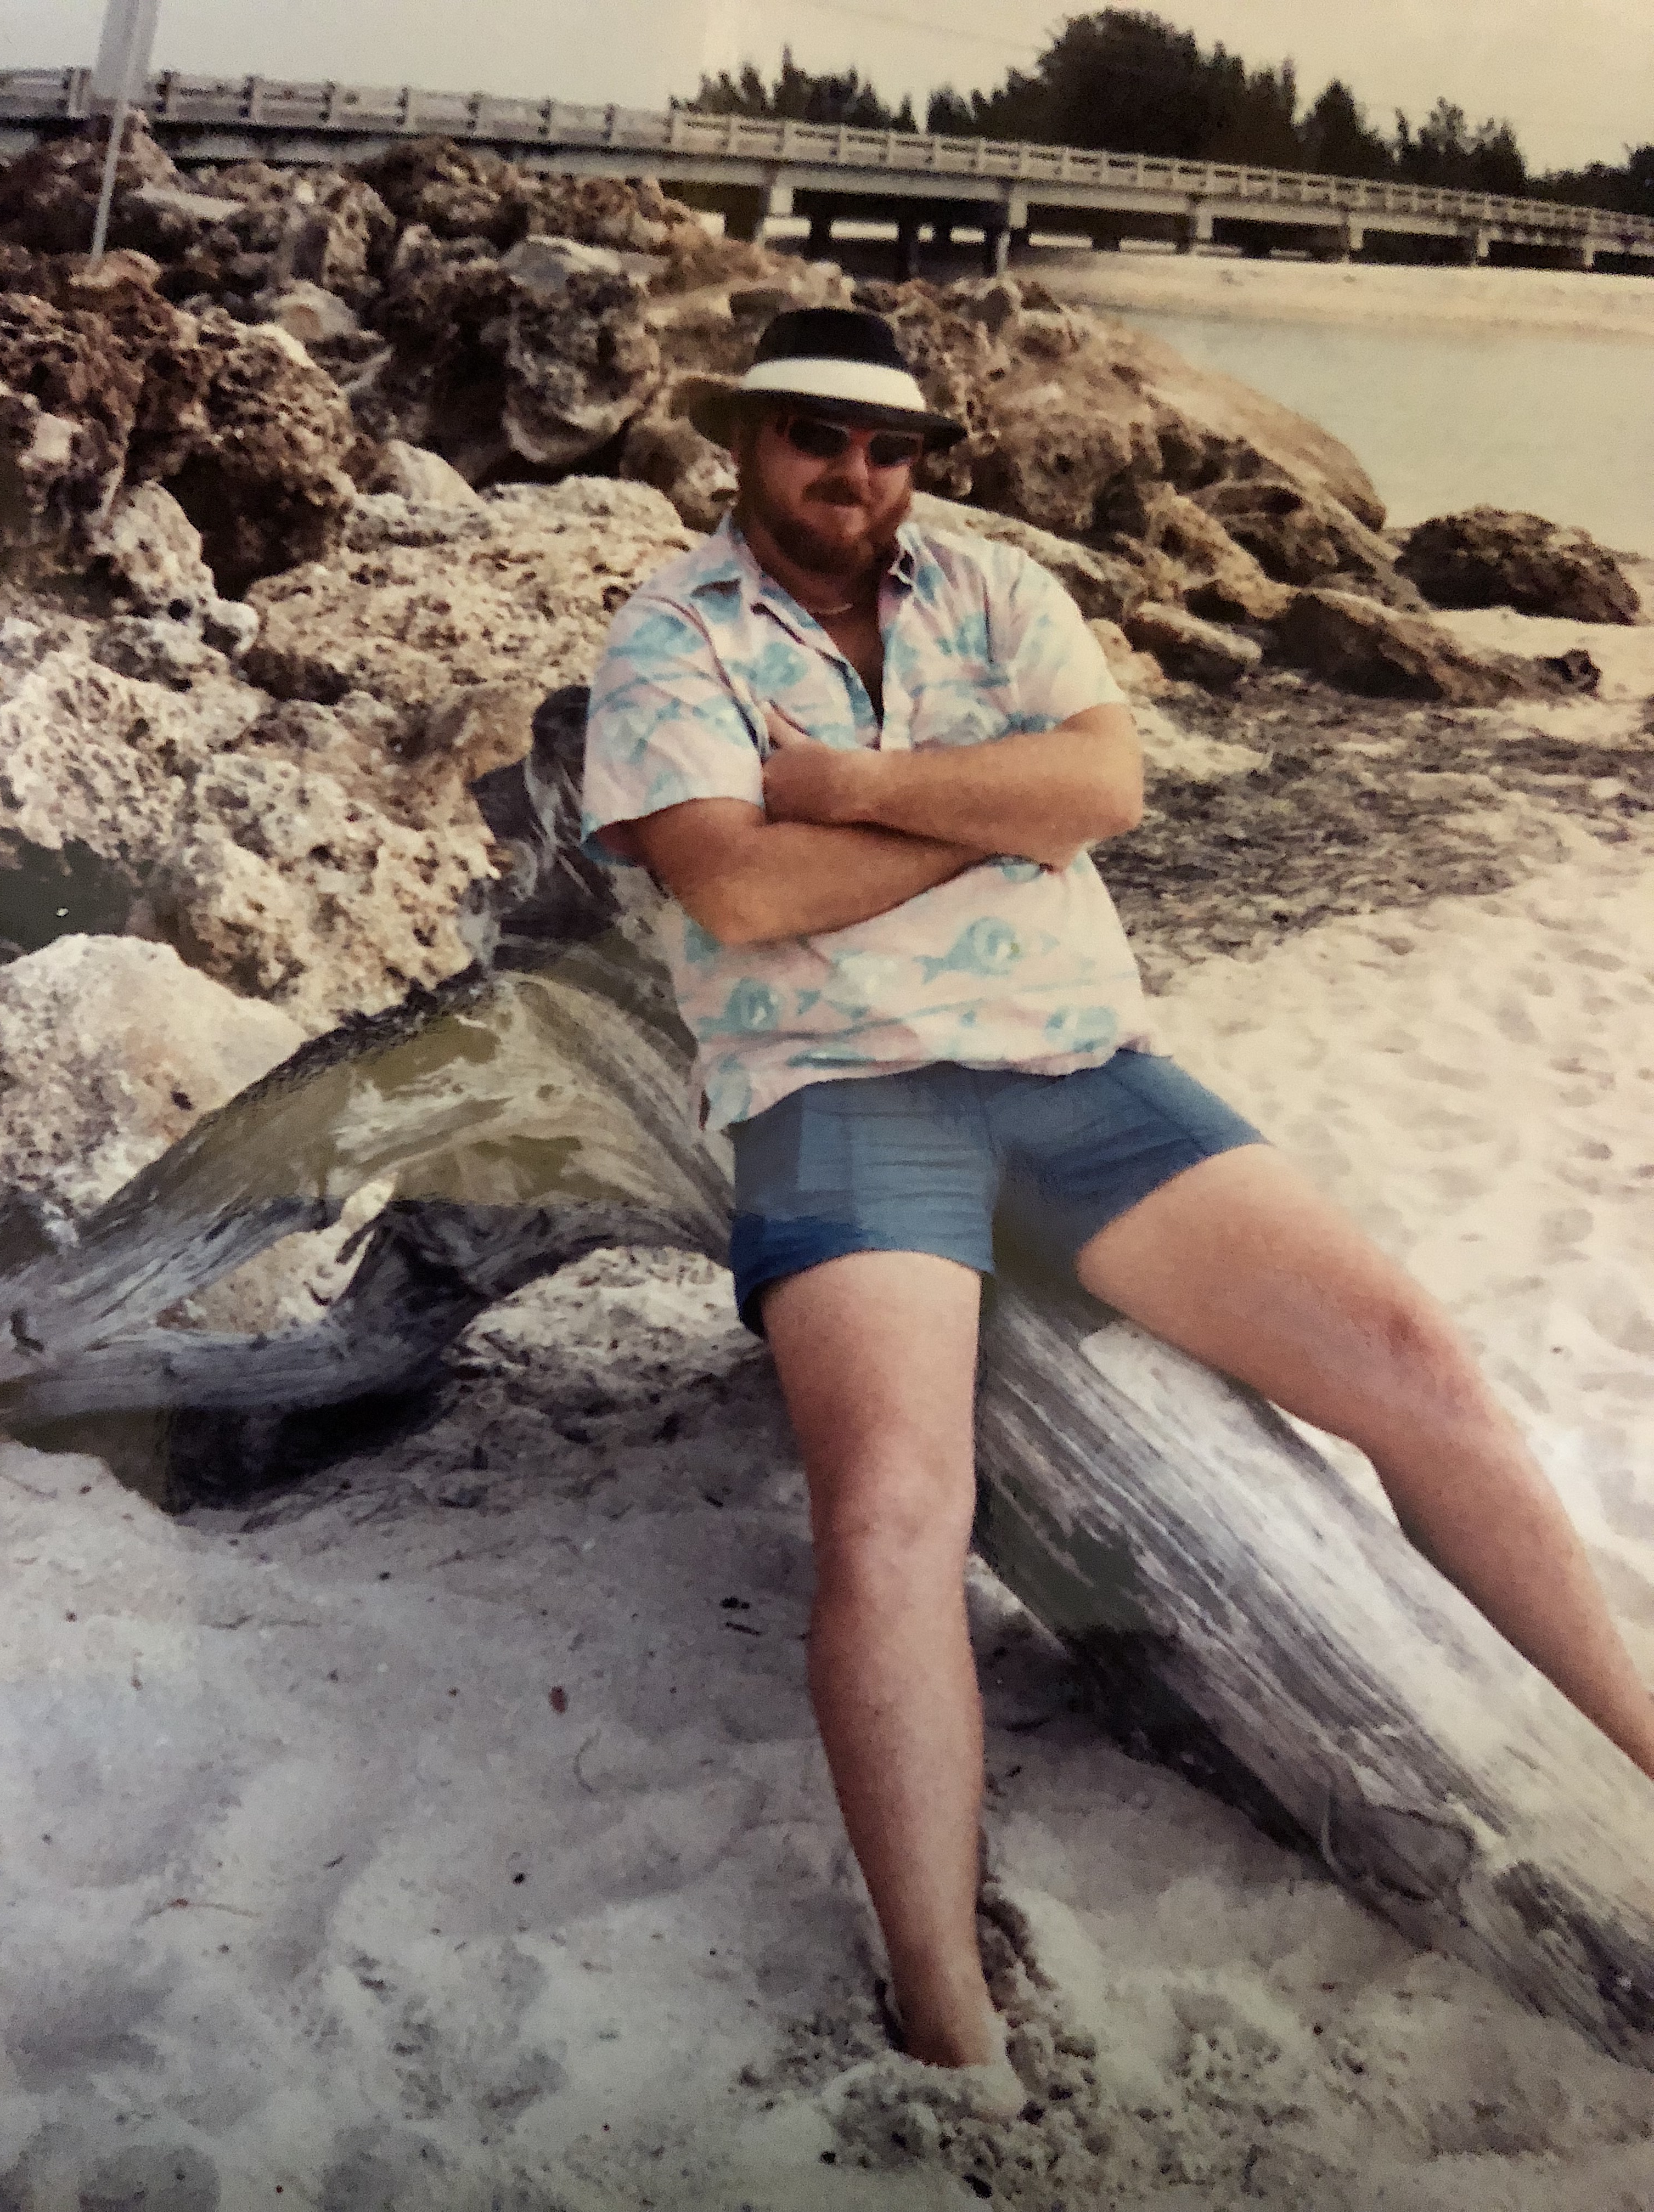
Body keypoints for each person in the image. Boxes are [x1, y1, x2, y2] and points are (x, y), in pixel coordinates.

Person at [580, 307, 1654, 2076]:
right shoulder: (669, 638)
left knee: (1415, 1362)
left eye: (891, 446)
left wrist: (856, 788)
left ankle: (1629, 1748)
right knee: (893, 1516)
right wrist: (997, 814)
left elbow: (1105, 782)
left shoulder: (997, 592)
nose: (857, 476)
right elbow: (740, 898)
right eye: (818, 438)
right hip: (844, 1095)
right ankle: (951, 2014)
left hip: (1082, 1074)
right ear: (748, 440)